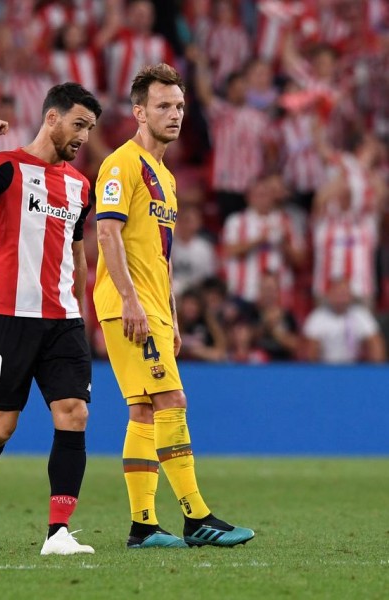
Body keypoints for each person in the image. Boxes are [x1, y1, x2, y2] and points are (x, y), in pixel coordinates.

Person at [94, 64, 255, 549]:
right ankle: (196, 517)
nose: (175, 114)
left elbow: (159, 255)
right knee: (172, 402)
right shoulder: (122, 162)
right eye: (163, 105)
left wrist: (173, 315)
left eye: (180, 106)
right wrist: (129, 300)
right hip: (128, 306)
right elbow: (106, 232)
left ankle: (143, 527)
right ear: (139, 111)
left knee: (144, 412)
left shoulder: (166, 175)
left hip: (154, 307)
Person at [0, 82, 102, 556]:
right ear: (51, 118)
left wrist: (83, 310)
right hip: (8, 316)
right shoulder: (6, 165)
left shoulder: (79, 185)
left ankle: (58, 533)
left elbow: (76, 251)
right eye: (78, 124)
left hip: (63, 320)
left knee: (74, 414)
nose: (83, 137)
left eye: (90, 129)